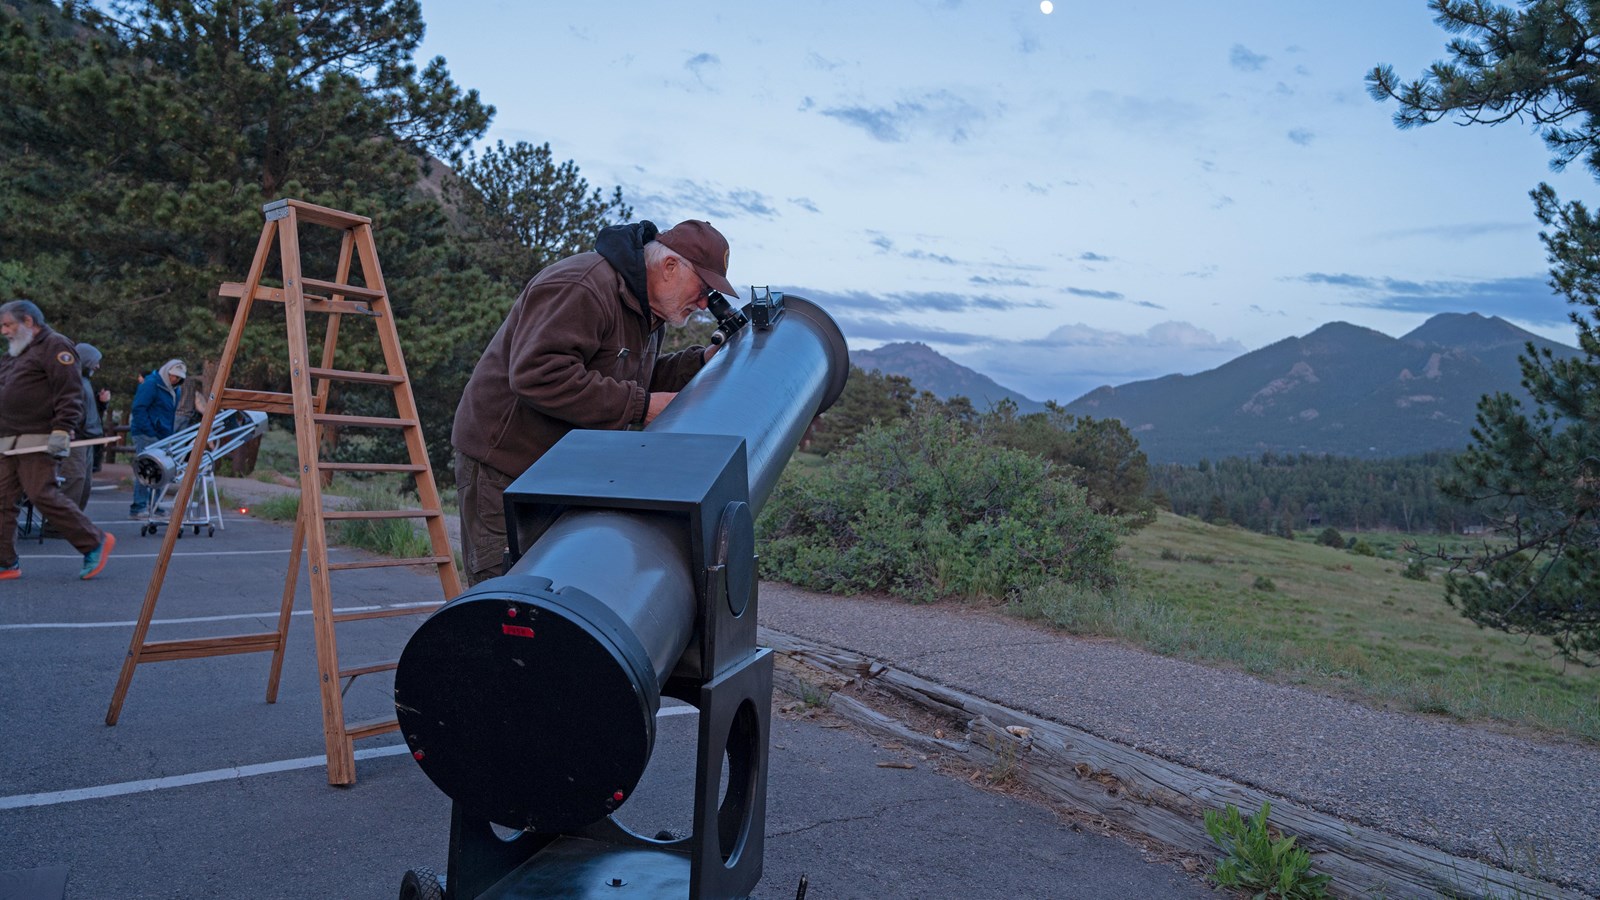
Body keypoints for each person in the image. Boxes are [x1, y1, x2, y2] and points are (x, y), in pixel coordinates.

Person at [451, 219, 735, 586]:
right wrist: (641, 406)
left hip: (556, 473)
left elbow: (633, 379)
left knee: (550, 594)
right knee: (503, 595)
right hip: (504, 466)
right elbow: (538, 374)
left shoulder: (647, 312)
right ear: (669, 267)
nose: (704, 303)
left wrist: (700, 362)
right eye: (703, 288)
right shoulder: (582, 286)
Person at [0, 300, 116, 580]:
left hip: (38, 437)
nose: (4, 331)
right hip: (7, 439)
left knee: (42, 493)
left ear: (28, 321)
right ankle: (5, 561)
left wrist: (63, 429)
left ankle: (94, 541)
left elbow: (70, 392)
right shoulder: (15, 353)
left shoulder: (56, 345)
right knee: (2, 499)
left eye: (8, 325)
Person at [128, 358, 191, 519]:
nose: (175, 379)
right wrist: (149, 431)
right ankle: (138, 506)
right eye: (173, 375)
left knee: (161, 471)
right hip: (146, 434)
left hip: (163, 435)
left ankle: (155, 505)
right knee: (145, 469)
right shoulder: (151, 384)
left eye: (178, 377)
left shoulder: (175, 389)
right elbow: (138, 408)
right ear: (166, 371)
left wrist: (166, 435)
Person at [58, 343, 104, 511]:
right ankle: (59, 521)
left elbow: (88, 412)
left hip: (87, 438)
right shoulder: (71, 380)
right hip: (75, 438)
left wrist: (102, 404)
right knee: (73, 481)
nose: (97, 367)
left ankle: (74, 519)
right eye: (95, 362)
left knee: (84, 484)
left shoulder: (85, 382)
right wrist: (68, 427)